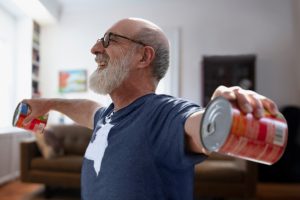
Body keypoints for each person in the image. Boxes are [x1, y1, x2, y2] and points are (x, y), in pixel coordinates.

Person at [22, 18, 278, 200]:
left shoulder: (164, 113)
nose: (95, 48)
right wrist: (50, 104)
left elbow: (196, 126)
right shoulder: (108, 116)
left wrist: (222, 112)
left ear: (143, 57)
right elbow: (87, 108)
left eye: (109, 40)